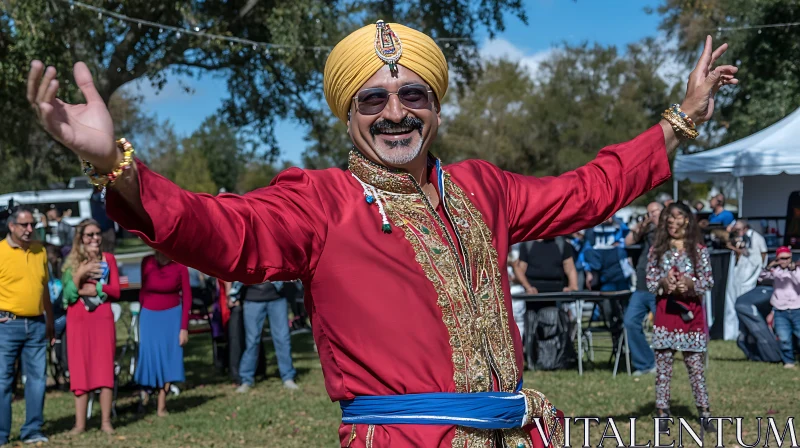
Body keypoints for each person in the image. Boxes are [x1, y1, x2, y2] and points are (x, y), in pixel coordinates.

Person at [27, 24, 737, 446]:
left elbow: (588, 191)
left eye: (412, 95)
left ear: (433, 106)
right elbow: (223, 230)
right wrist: (114, 165)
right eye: (374, 98)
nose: (394, 112)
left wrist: (679, 122)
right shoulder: (321, 201)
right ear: (350, 114)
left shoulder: (482, 188)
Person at [646, 203, 715, 432]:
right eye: (669, 220)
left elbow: (708, 281)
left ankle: (704, 412)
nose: (672, 224)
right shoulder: (657, 249)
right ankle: (662, 414)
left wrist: (691, 284)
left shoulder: (699, 250)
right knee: (663, 368)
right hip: (666, 313)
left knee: (695, 367)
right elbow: (650, 281)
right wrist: (663, 283)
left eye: (677, 220)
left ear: (686, 220)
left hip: (691, 316)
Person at [0, 207, 54, 445]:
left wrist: (50, 320)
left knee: (37, 379)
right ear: (11, 226)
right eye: (24, 225)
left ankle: (32, 430)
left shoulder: (39, 250)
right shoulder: (0, 251)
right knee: (3, 381)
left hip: (37, 325)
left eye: (32, 224)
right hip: (7, 326)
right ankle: (1, 434)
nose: (30, 229)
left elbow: (44, 290)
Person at [61, 219, 120, 435]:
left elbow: (116, 290)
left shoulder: (109, 259)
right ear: (81, 239)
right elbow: (67, 295)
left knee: (104, 367)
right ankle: (80, 424)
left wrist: (96, 287)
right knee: (80, 368)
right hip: (78, 320)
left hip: (102, 318)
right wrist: (79, 275)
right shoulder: (70, 264)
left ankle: (105, 422)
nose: (95, 238)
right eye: (89, 235)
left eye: (97, 234)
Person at [135, 251, 191, 416]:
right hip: (149, 316)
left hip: (172, 317)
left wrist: (184, 327)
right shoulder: (147, 262)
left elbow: (187, 296)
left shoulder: (180, 265)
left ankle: (161, 404)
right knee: (149, 357)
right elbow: (143, 290)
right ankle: (145, 395)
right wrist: (142, 315)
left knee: (169, 358)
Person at [623, 201, 663, 375]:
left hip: (660, 286)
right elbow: (628, 241)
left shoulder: (670, 230)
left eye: (655, 212)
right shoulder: (646, 230)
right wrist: (643, 224)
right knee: (630, 322)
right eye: (649, 212)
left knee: (662, 326)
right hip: (641, 285)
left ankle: (663, 364)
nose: (652, 215)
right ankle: (645, 363)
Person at [236, 281, 298, 393]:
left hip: (277, 297)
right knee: (252, 341)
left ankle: (288, 377)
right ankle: (246, 379)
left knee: (282, 339)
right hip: (252, 298)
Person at [723, 219, 768, 340]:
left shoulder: (756, 238)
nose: (736, 232)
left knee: (743, 304)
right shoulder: (739, 238)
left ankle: (744, 332)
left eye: (738, 229)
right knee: (732, 302)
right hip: (738, 274)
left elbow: (762, 254)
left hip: (749, 276)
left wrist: (761, 271)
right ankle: (731, 333)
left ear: (745, 228)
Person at [760, 246, 800, 368]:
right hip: (780, 309)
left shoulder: (796, 270)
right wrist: (770, 266)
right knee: (783, 337)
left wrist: (792, 270)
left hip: (796, 308)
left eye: (787, 258)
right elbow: (761, 277)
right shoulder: (775, 272)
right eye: (781, 259)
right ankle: (788, 361)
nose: (785, 261)